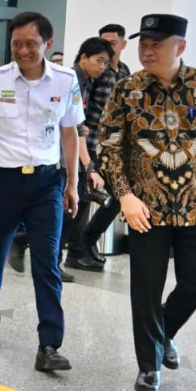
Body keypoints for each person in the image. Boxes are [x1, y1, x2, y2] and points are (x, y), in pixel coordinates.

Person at [98, 14, 196, 391]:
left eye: (156, 45)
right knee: (146, 288)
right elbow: (108, 147)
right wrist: (125, 196)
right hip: (145, 209)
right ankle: (149, 366)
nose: (147, 51)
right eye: (143, 44)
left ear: (180, 47)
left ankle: (163, 333)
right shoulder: (127, 89)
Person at [0, 11, 82, 372]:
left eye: (31, 43)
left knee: (47, 260)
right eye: (17, 44)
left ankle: (49, 344)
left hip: (47, 182)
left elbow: (70, 133)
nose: (23, 51)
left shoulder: (65, 80)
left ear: (47, 44)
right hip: (2, 180)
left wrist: (73, 182)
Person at [73, 23, 133, 268]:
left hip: (113, 146)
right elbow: (80, 104)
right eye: (104, 42)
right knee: (86, 198)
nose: (108, 47)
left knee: (115, 195)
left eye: (113, 43)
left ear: (123, 44)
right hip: (90, 144)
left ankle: (85, 242)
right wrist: (82, 129)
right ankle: (78, 249)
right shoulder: (96, 73)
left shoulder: (124, 71)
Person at [60, 38, 112, 271]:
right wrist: (89, 166)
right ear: (83, 57)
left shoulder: (87, 81)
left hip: (75, 151)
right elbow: (72, 125)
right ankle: (24, 240)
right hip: (64, 155)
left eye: (105, 62)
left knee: (76, 207)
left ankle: (69, 255)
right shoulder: (72, 79)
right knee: (66, 209)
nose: (102, 66)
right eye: (99, 60)